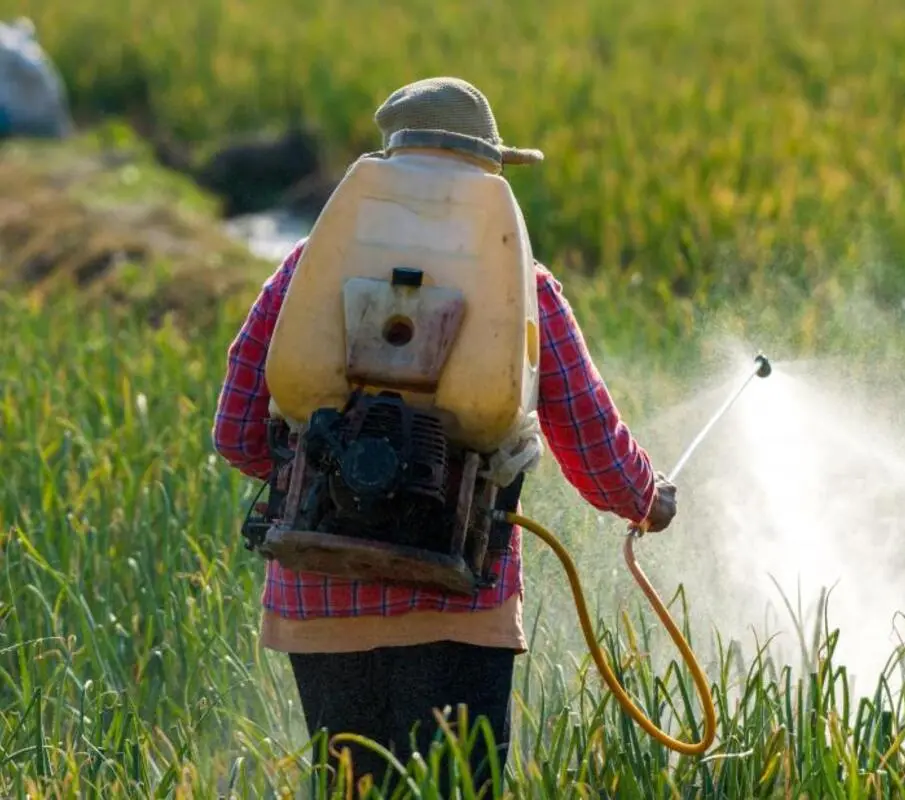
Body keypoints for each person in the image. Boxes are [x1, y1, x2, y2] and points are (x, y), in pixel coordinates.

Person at [211, 76, 678, 798]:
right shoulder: (523, 285)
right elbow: (591, 441)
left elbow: (237, 432)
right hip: (460, 603)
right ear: (488, 173)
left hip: (319, 605)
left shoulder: (308, 270)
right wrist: (646, 501)